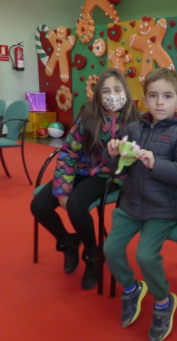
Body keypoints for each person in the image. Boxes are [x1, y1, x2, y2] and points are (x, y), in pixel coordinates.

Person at [104, 68, 177, 341]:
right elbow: (118, 168)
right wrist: (112, 155)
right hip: (132, 203)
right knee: (111, 248)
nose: (159, 102)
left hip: (164, 207)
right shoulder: (133, 128)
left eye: (167, 96)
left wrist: (155, 163)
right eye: (153, 96)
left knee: (145, 256)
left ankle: (162, 301)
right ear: (144, 100)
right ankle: (131, 288)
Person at [30, 68, 139, 290]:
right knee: (39, 205)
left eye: (117, 89)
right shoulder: (88, 116)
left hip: (106, 175)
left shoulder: (134, 121)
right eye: (106, 90)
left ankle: (92, 254)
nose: (112, 95)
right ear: (98, 94)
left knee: (76, 206)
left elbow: (134, 159)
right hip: (79, 170)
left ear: (126, 92)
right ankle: (69, 242)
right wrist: (62, 188)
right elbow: (69, 151)